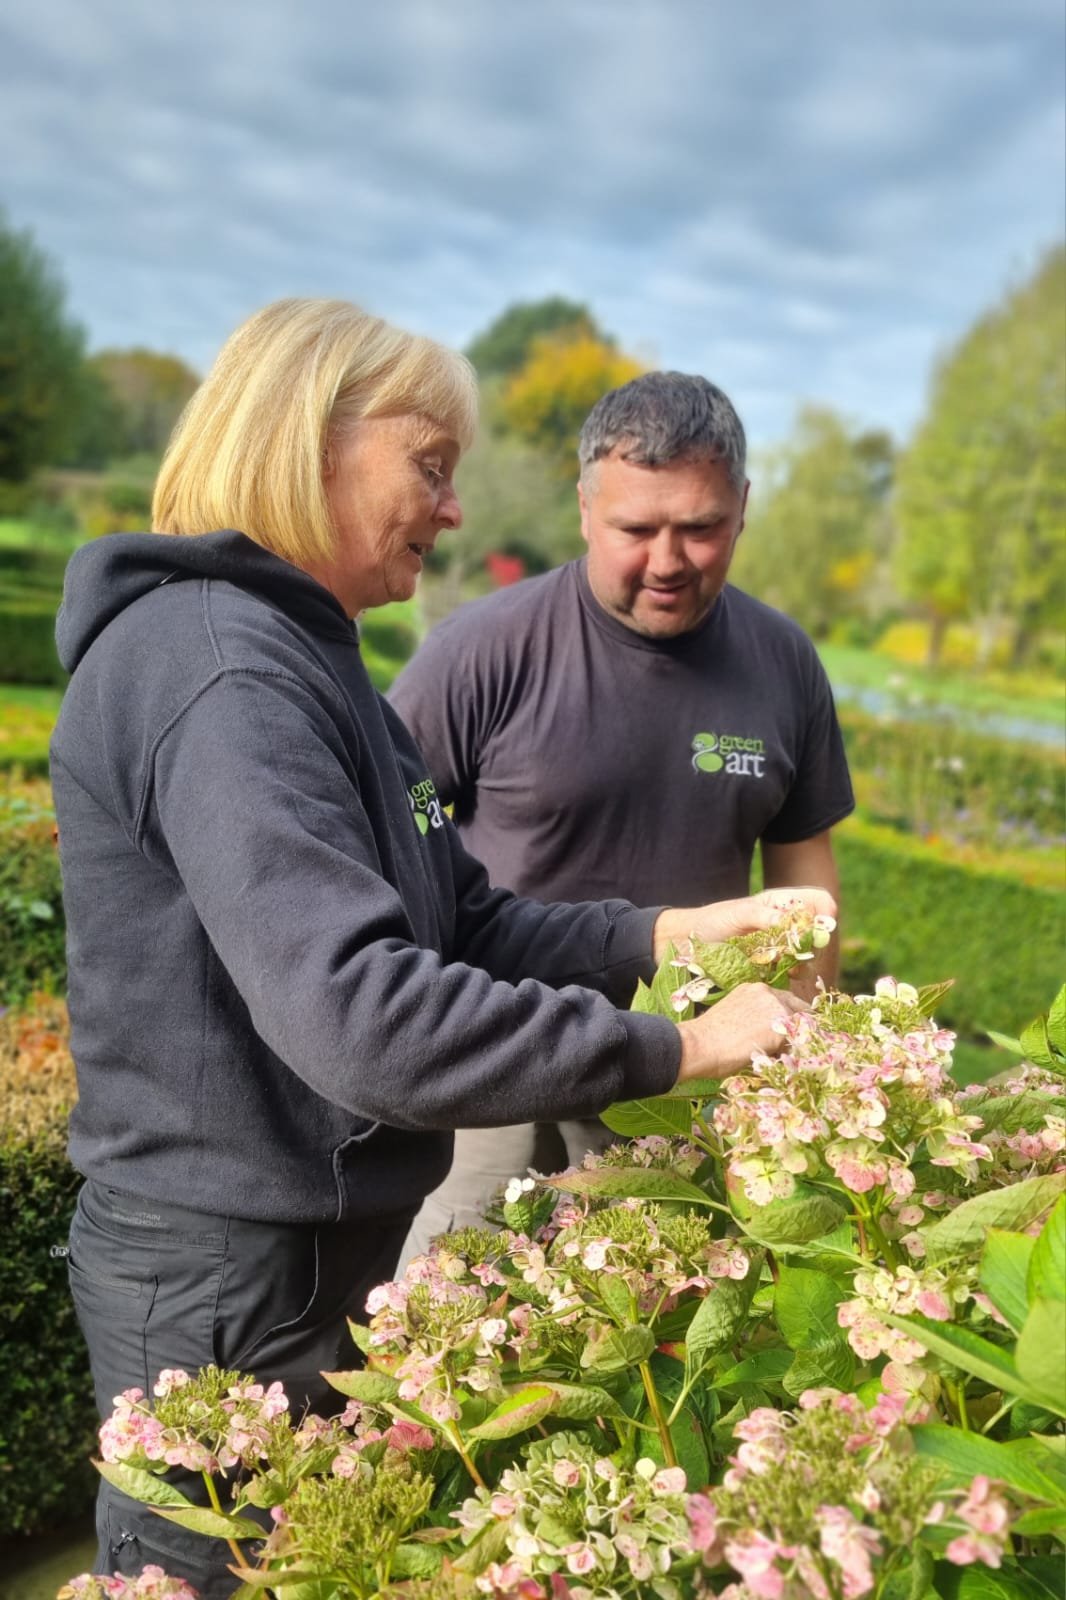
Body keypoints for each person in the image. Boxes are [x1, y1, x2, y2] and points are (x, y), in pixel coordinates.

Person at [51, 302, 828, 1598]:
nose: (453, 508)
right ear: (308, 440)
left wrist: (663, 932)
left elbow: (463, 918)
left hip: (298, 1257)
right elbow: (363, 1014)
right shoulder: (222, 670)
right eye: (427, 463)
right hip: (222, 1283)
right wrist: (680, 1043)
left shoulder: (311, 663)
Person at [392, 370, 855, 1266]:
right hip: (501, 1070)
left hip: (683, 1075)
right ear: (584, 508)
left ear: (744, 508)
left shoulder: (783, 664)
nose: (670, 561)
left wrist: (815, 1042)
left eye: (702, 527)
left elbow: (804, 876)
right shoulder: (481, 653)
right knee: (450, 1327)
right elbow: (389, 827)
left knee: (658, 1352)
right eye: (637, 530)